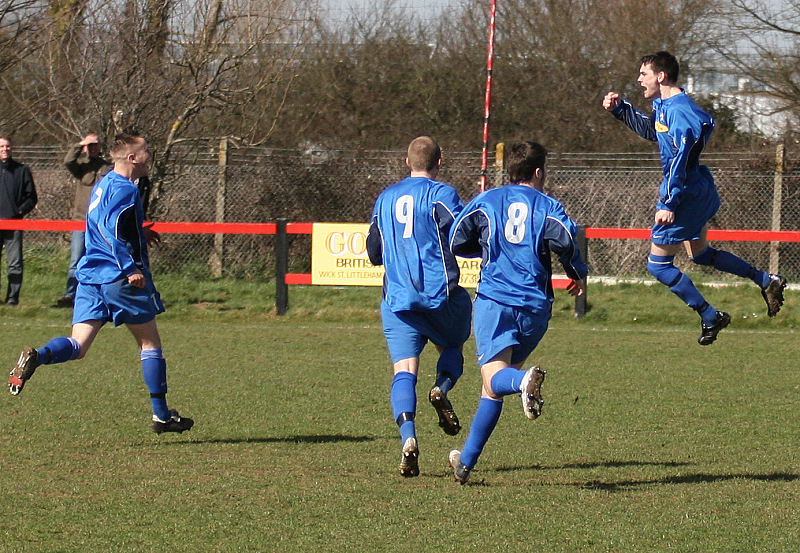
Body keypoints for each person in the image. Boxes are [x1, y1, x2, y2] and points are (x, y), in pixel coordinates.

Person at [8, 132, 193, 435]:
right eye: (146, 150)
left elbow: (103, 221)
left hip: (90, 278)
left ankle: (38, 357)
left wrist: (140, 230)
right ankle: (161, 415)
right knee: (149, 342)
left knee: (78, 346)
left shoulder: (104, 182)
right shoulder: (125, 190)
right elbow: (109, 229)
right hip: (119, 278)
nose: (150, 154)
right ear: (132, 158)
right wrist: (128, 265)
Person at [603, 51, 786, 345]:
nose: (638, 80)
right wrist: (621, 110)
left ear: (660, 76)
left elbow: (681, 158)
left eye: (643, 74)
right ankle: (766, 280)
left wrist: (668, 202)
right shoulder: (665, 106)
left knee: (658, 266)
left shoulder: (680, 111)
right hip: (696, 188)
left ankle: (710, 316)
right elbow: (655, 131)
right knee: (699, 254)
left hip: (685, 192)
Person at [447, 141, 587, 484]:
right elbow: (567, 239)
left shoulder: (487, 201)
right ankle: (465, 463)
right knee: (492, 388)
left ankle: (525, 381)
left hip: (495, 301)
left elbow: (455, 240)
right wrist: (576, 272)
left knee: (497, 377)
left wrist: (482, 246)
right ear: (539, 172)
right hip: (536, 309)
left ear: (509, 170)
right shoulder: (549, 205)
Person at [366, 135, 472, 477]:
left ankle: (408, 440)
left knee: (404, 371)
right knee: (453, 346)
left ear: (406, 161)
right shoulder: (442, 195)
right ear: (439, 163)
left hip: (398, 301)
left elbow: (373, 252)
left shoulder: (384, 200)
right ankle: (440, 388)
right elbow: (461, 235)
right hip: (440, 297)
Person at [58, 133, 112, 308]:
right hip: (81, 221)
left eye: (95, 145)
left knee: (101, 259)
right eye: (90, 145)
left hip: (101, 223)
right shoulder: (81, 167)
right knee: (76, 260)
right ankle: (69, 295)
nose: (93, 148)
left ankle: (100, 295)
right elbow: (68, 161)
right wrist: (80, 145)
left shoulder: (107, 168)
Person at [0, 135, 37, 306]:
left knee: (14, 263)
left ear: (11, 148)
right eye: (1, 147)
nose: (4, 149)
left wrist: (19, 212)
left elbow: (31, 197)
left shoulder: (22, 170)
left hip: (14, 224)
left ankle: (12, 297)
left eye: (7, 146)